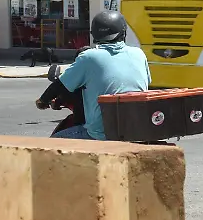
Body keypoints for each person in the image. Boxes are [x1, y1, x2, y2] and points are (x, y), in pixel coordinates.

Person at [39, 10, 150, 140]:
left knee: (52, 144)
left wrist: (42, 101)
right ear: (123, 32)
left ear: (95, 34)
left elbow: (60, 85)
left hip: (101, 135)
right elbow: (146, 82)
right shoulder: (139, 54)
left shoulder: (89, 57)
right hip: (136, 131)